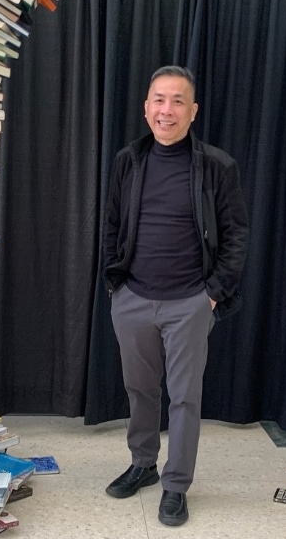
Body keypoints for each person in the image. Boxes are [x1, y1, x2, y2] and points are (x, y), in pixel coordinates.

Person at [102, 65, 249, 526]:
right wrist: (116, 284)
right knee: (139, 389)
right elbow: (110, 224)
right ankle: (143, 464)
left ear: (192, 111)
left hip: (189, 301)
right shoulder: (129, 159)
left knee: (185, 398)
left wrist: (212, 294)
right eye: (159, 100)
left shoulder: (217, 165)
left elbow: (235, 234)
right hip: (133, 299)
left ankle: (176, 484)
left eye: (178, 101)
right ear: (147, 107)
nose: (167, 110)